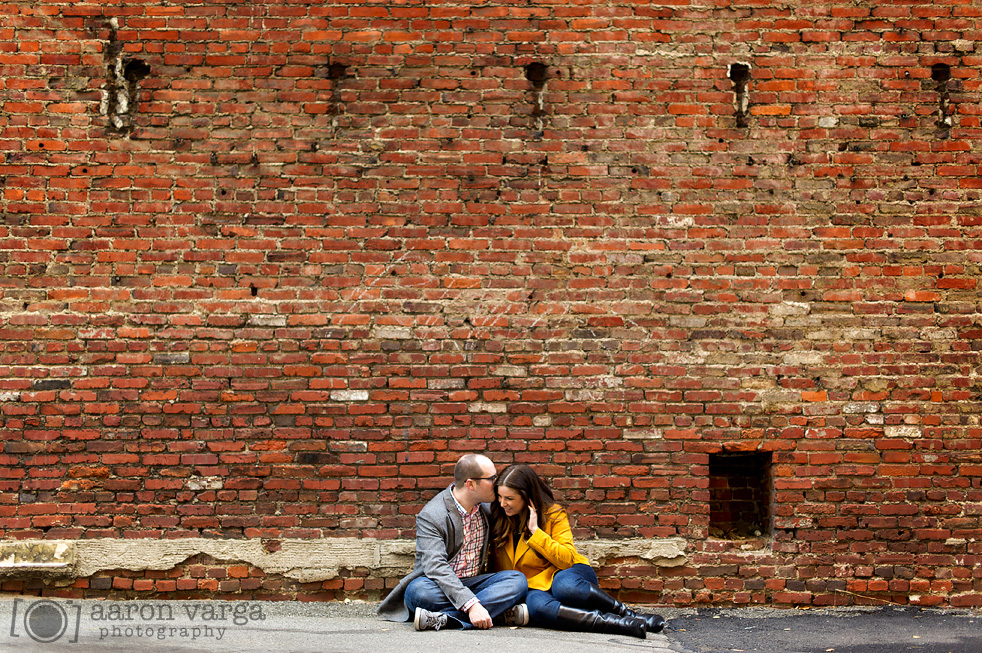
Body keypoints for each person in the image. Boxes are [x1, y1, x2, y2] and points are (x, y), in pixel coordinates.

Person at [489, 464, 666, 639]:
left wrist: (536, 532)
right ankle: (620, 624)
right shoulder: (498, 520)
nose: (503, 503)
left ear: (527, 497)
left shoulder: (553, 514)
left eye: (509, 498)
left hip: (568, 573)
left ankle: (630, 614)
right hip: (534, 586)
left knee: (564, 587)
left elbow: (567, 560)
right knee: (537, 607)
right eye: (499, 497)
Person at [377, 453, 529, 631]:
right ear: (470, 484)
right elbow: (435, 567)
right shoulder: (432, 515)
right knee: (417, 592)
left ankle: (445, 619)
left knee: (517, 580)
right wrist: (471, 605)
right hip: (438, 586)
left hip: (475, 583)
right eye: (491, 478)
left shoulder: (488, 507)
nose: (497, 483)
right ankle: (497, 614)